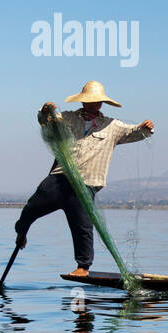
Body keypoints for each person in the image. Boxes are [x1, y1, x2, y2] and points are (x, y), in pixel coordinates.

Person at [13, 81, 154, 277]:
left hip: (86, 183)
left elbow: (134, 132)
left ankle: (83, 267)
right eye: (90, 101)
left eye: (97, 101)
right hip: (60, 177)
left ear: (102, 103)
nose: (94, 104)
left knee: (82, 226)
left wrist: (145, 127)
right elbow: (46, 121)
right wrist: (45, 111)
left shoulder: (112, 126)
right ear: (83, 101)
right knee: (31, 207)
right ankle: (21, 232)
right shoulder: (69, 118)